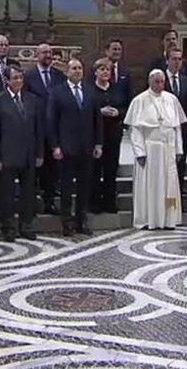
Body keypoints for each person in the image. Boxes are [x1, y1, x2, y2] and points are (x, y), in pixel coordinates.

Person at [125, 69, 187, 230]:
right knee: (150, 187)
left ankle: (169, 218)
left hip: (168, 149)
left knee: (170, 186)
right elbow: (136, 130)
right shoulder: (140, 100)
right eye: (156, 82)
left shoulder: (171, 99)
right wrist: (140, 152)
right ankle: (148, 219)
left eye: (162, 82)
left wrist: (179, 149)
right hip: (150, 150)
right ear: (149, 81)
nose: (160, 85)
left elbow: (177, 127)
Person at [47, 58, 103, 236]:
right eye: (74, 68)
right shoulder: (57, 92)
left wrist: (98, 143)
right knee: (66, 188)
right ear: (67, 72)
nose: (77, 71)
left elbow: (97, 120)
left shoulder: (89, 91)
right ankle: (66, 222)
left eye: (80, 68)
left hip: (86, 147)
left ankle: (81, 220)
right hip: (66, 148)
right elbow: (51, 121)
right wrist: (55, 145)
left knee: (84, 187)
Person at [0, 66, 44, 241]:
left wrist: (39, 153)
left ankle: (26, 225)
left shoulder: (32, 99)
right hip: (7, 155)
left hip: (28, 154)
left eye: (20, 77)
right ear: (7, 81)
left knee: (28, 192)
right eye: (15, 78)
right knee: (7, 194)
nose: (18, 81)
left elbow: (38, 130)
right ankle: (8, 227)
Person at [23, 43, 66, 215]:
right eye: (44, 52)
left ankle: (49, 201)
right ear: (37, 55)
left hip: (55, 127)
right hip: (35, 127)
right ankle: (32, 203)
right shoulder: (28, 76)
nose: (47, 55)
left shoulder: (59, 76)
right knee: (34, 167)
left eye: (50, 52)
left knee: (52, 168)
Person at [90, 58, 128, 213]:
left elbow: (127, 107)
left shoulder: (117, 89)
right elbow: (86, 110)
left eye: (108, 70)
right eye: (102, 69)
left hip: (113, 134)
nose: (106, 72)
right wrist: (100, 112)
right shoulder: (90, 90)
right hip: (96, 135)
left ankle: (110, 202)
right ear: (96, 72)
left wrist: (118, 112)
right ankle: (94, 203)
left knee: (111, 169)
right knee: (95, 170)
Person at [164, 47, 187, 203]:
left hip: (182, 130)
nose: (177, 62)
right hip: (164, 131)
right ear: (167, 60)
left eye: (179, 59)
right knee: (167, 166)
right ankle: (167, 201)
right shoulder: (159, 80)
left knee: (181, 165)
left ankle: (179, 200)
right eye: (174, 59)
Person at [105, 38, 132, 105]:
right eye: (114, 49)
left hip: (120, 112)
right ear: (107, 51)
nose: (117, 52)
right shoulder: (97, 69)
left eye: (119, 49)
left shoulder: (125, 71)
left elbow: (129, 94)